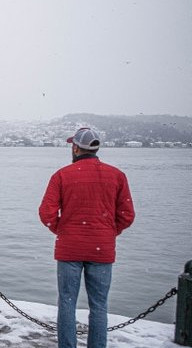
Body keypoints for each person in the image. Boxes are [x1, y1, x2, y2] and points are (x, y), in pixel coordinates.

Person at [38, 128, 135, 348]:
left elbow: (46, 213)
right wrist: (108, 232)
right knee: (99, 305)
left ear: (75, 148)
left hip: (69, 248)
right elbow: (127, 215)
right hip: (102, 249)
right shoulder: (117, 176)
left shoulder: (62, 175)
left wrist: (63, 230)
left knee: (67, 302)